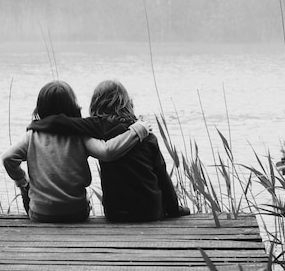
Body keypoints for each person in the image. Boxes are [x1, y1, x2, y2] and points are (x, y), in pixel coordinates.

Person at [29, 79, 190, 222]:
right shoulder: (147, 136)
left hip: (116, 214)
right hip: (151, 212)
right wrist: (174, 209)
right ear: (128, 103)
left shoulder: (96, 126)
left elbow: (60, 122)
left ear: (95, 104)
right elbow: (162, 177)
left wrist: (36, 126)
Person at [1, 80, 150, 223]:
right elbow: (107, 152)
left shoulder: (32, 136)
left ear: (40, 107)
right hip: (76, 212)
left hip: (39, 214)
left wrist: (21, 180)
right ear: (73, 105)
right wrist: (137, 130)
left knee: (28, 192)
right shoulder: (80, 135)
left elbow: (8, 158)